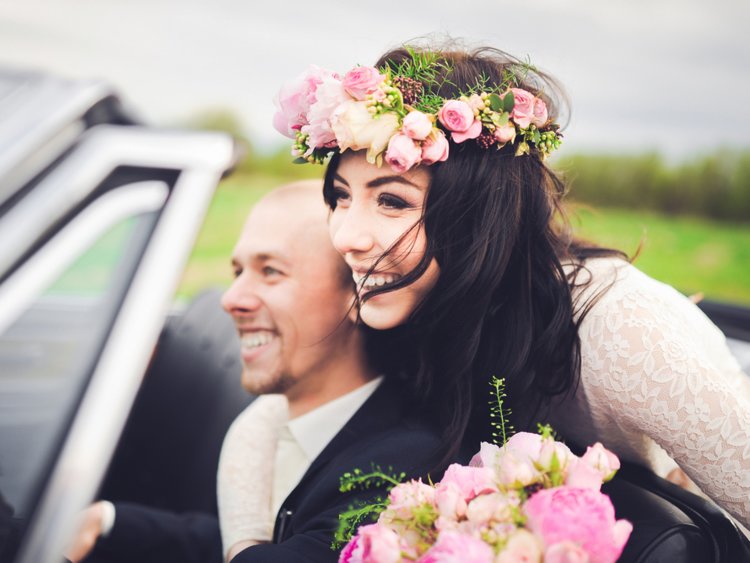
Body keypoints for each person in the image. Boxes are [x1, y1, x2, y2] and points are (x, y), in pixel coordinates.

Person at [272, 43, 750, 530]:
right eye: (341, 196)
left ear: (481, 213)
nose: (346, 238)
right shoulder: (398, 297)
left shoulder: (618, 330)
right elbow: (273, 416)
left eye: (392, 202)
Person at [66, 180, 443, 562]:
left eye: (271, 271)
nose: (231, 299)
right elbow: (269, 541)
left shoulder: (397, 477)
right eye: (238, 271)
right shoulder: (272, 425)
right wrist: (107, 521)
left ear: (360, 292)